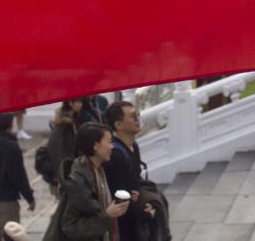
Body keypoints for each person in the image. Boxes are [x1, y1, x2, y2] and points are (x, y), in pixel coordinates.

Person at [43, 123, 130, 241]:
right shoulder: (78, 181)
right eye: (109, 141)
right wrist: (107, 216)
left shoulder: (98, 171)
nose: (112, 146)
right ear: (95, 145)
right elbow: (70, 227)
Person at [103, 101, 171, 241]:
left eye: (137, 114)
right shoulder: (116, 155)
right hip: (126, 227)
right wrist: (146, 213)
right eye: (133, 116)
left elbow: (135, 182)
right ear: (119, 125)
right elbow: (119, 200)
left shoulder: (133, 145)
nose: (137, 119)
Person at [0, 113, 36, 241]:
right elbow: (18, 175)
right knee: (8, 233)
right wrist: (29, 197)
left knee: (3, 231)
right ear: (11, 125)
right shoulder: (11, 146)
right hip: (6, 198)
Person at [47, 99, 84, 194]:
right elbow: (55, 150)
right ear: (71, 103)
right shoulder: (63, 123)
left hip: (73, 170)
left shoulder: (75, 120)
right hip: (65, 172)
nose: (81, 104)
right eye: (79, 101)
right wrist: (62, 176)